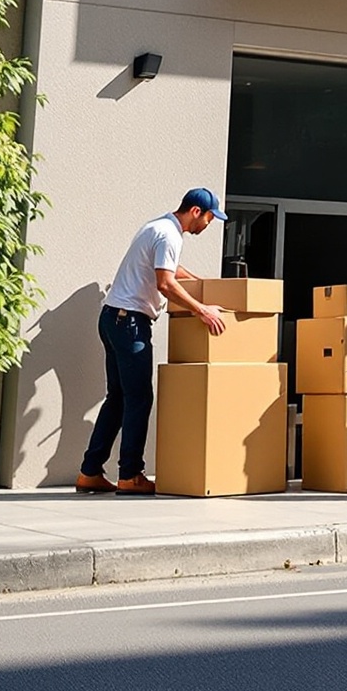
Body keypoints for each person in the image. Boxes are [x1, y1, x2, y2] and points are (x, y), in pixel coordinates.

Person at [78, 187, 229, 494]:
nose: (209, 225)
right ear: (196, 212)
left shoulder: (157, 226)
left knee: (118, 398)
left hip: (113, 318)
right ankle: (130, 475)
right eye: (211, 219)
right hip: (129, 322)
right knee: (139, 398)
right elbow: (165, 283)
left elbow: (171, 271)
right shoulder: (169, 235)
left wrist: (201, 284)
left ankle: (90, 472)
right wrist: (202, 310)